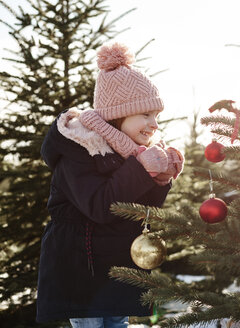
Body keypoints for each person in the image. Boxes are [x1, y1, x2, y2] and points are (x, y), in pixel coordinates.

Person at [36, 43, 184, 328]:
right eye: (145, 114)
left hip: (115, 266)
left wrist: (160, 179)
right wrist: (142, 169)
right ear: (119, 114)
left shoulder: (128, 152)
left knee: (116, 324)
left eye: (157, 116)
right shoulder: (79, 150)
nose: (154, 124)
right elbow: (101, 207)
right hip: (82, 268)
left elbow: (138, 212)